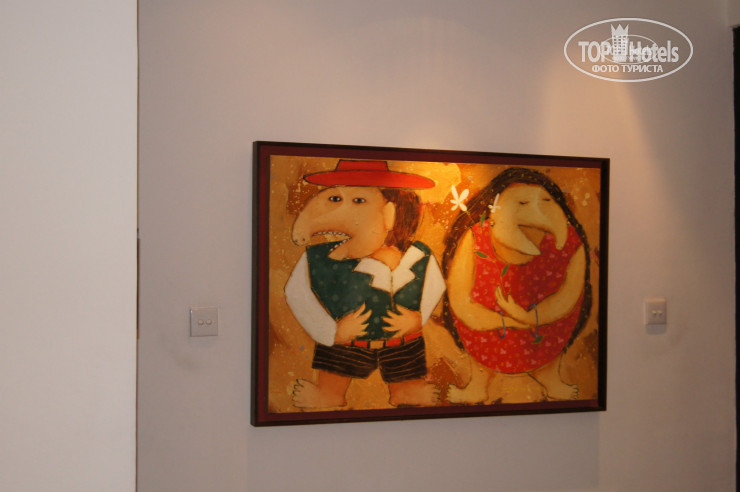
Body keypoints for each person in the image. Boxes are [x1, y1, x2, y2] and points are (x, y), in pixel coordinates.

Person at [285, 160, 445, 408]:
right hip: (346, 344)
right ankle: (327, 394)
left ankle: (407, 391)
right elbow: (297, 294)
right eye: (335, 199)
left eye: (359, 200)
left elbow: (435, 286)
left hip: (402, 344)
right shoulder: (318, 259)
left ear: (390, 213)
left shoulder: (418, 256)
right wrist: (331, 331)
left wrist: (418, 319)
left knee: (408, 384)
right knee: (332, 380)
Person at [441, 167, 592, 403]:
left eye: (546, 201)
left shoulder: (570, 244)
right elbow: (460, 300)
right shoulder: (475, 237)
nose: (535, 212)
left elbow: (568, 297)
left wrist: (529, 317)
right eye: (522, 203)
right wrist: (506, 321)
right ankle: (478, 384)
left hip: (545, 327)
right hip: (485, 327)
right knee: (480, 360)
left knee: (548, 352)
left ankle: (550, 378)